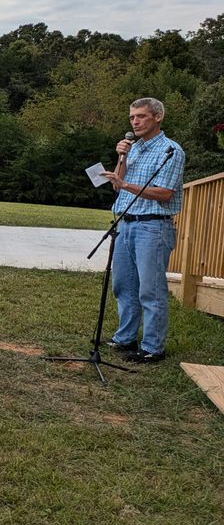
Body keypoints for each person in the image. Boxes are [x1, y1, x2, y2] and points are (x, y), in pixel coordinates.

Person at [102, 97, 185, 363]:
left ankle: (152, 348)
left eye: (141, 116)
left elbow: (163, 193)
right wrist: (121, 158)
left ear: (157, 117)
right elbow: (118, 185)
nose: (135, 122)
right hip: (125, 224)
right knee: (124, 286)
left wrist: (124, 184)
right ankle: (125, 338)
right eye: (132, 118)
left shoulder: (171, 151)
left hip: (153, 226)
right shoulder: (132, 149)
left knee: (150, 289)